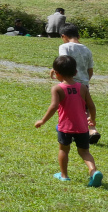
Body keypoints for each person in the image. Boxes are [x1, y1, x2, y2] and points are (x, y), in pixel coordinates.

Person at [35, 55, 102, 186]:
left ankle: (64, 175)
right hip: (82, 127)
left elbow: (53, 107)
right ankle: (93, 172)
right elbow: (92, 106)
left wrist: (42, 121)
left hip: (66, 127)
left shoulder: (57, 88)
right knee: (84, 152)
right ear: (76, 72)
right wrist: (92, 119)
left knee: (64, 150)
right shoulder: (83, 87)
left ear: (56, 73)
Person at [60, 24, 99, 142]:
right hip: (84, 83)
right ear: (79, 36)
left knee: (70, 108)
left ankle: (72, 131)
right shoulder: (87, 49)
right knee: (85, 107)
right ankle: (92, 129)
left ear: (64, 36)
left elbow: (63, 63)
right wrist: (85, 81)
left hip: (70, 83)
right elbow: (90, 70)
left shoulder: (64, 47)